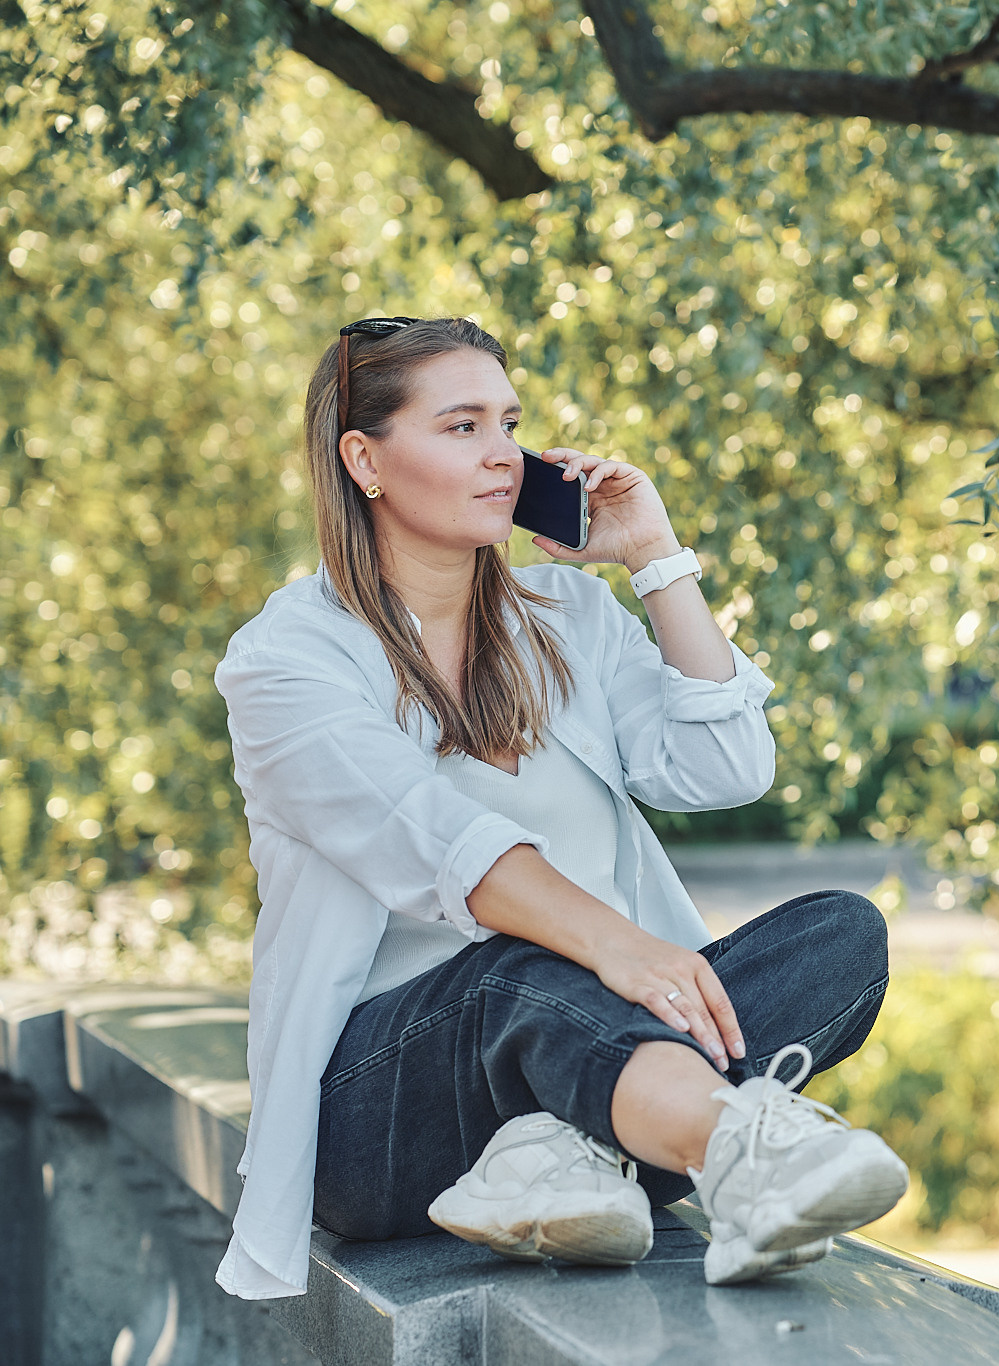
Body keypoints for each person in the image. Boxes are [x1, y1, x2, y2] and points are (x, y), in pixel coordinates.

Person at [211, 315, 907, 1301]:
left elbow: (725, 767)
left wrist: (653, 555)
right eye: (462, 427)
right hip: (381, 1113)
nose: (503, 454)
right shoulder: (288, 660)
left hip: (588, 1037)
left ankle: (561, 1154)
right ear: (364, 460)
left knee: (838, 936)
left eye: (510, 423)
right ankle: (740, 1154)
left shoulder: (568, 619)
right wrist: (619, 948)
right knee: (523, 965)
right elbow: (442, 842)